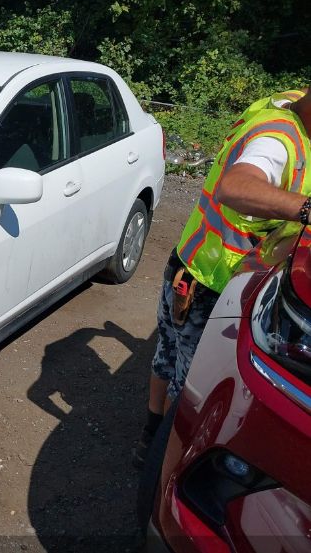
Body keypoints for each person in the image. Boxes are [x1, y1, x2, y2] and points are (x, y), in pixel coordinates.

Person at [133, 86, 311, 467]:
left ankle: (149, 435)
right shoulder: (278, 141)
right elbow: (235, 186)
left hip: (187, 265)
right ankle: (161, 464)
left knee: (166, 353)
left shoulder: (284, 100)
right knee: (190, 383)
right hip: (211, 285)